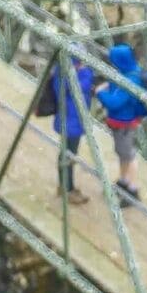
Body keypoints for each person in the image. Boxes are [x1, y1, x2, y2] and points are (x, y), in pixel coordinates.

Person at [95, 41, 147, 204]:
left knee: (128, 155)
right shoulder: (131, 71)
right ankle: (124, 181)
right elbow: (116, 84)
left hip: (124, 123)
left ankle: (132, 190)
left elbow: (114, 103)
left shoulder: (130, 81)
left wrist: (99, 93)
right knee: (123, 152)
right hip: (123, 122)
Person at [51, 54, 99, 206]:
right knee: (69, 155)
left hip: (67, 120)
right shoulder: (77, 77)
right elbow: (84, 84)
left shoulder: (60, 74)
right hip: (72, 123)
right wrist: (86, 71)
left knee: (66, 153)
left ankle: (65, 186)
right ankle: (68, 190)